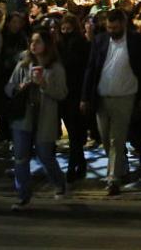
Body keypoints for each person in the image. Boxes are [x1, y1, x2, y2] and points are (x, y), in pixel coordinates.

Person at [81, 8, 141, 196]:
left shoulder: (136, 42)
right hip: (102, 96)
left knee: (116, 139)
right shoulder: (100, 41)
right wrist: (85, 97)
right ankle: (121, 166)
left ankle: (113, 178)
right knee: (105, 138)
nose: (112, 30)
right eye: (109, 27)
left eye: (115, 27)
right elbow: (91, 68)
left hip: (125, 96)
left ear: (123, 24)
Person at [6, 28, 68, 210]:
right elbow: (9, 87)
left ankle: (59, 182)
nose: (33, 45)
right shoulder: (23, 64)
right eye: (32, 41)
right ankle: (23, 195)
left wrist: (44, 85)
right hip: (23, 117)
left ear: (47, 45)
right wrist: (20, 87)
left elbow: (62, 93)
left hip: (44, 118)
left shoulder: (55, 67)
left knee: (45, 155)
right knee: (20, 157)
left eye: (38, 42)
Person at [57, 13, 89, 181]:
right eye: (63, 28)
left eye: (68, 28)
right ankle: (80, 162)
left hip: (74, 93)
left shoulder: (78, 44)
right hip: (66, 92)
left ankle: (73, 166)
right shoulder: (61, 44)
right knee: (73, 131)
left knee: (74, 132)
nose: (65, 31)